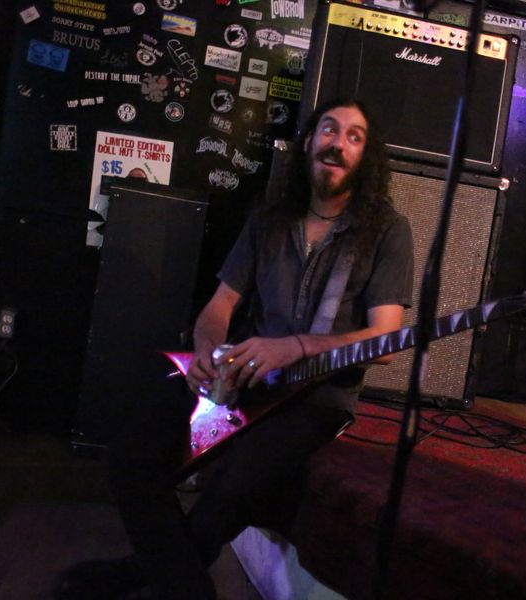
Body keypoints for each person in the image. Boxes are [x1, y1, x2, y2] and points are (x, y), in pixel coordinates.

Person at [55, 98, 414, 600]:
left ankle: (134, 577)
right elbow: (221, 304)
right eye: (329, 130)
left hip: (318, 398)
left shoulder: (388, 230)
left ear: (366, 157)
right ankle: (168, 582)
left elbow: (386, 341)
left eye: (355, 137)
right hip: (243, 377)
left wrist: (297, 346)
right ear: (309, 143)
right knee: (130, 456)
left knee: (238, 485)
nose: (338, 144)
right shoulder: (269, 219)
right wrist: (207, 350)